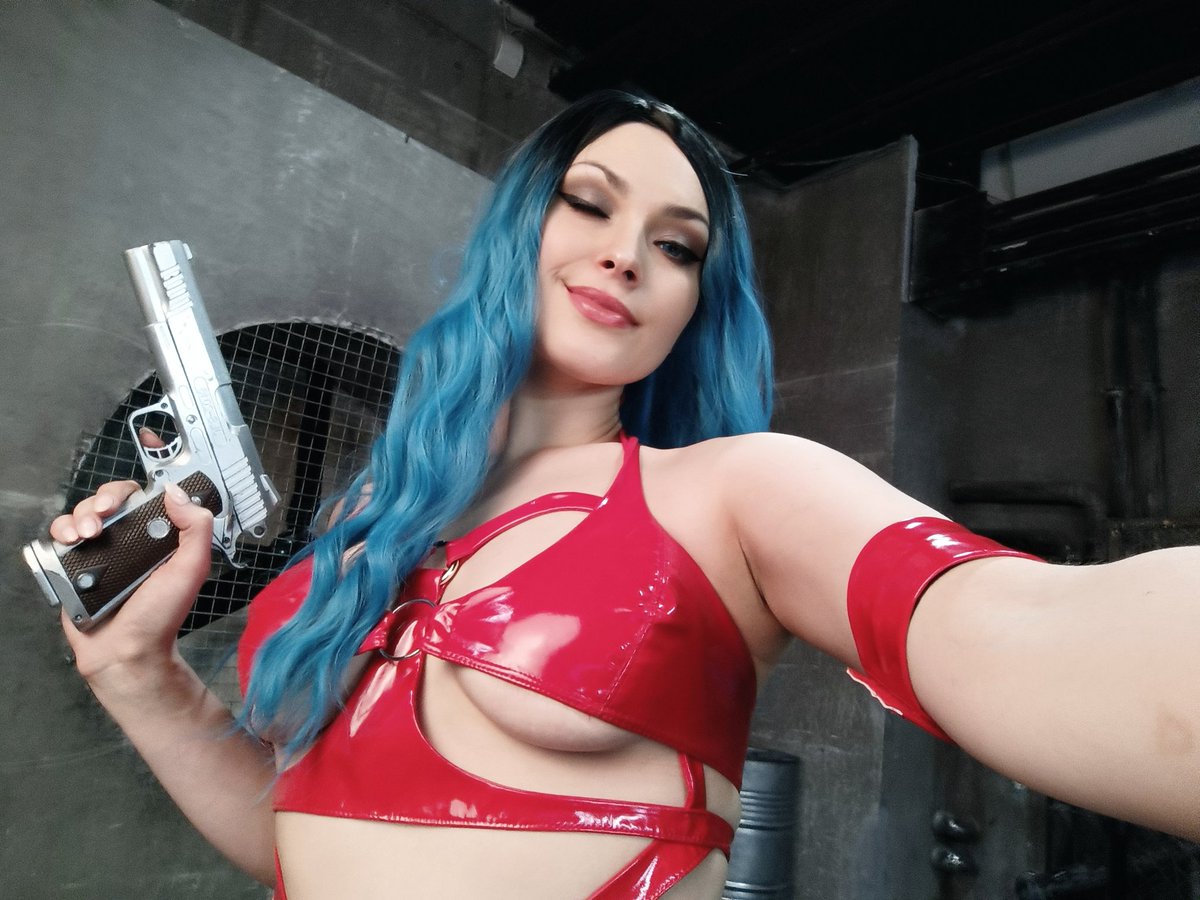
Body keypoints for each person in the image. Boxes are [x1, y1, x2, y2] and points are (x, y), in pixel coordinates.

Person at [50, 91, 1199, 899]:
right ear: (518, 226)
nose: (628, 255)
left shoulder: (737, 491)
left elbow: (1024, 631)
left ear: (696, 302)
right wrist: (138, 675)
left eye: (679, 245)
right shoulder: (368, 524)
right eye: (590, 202)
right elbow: (304, 842)